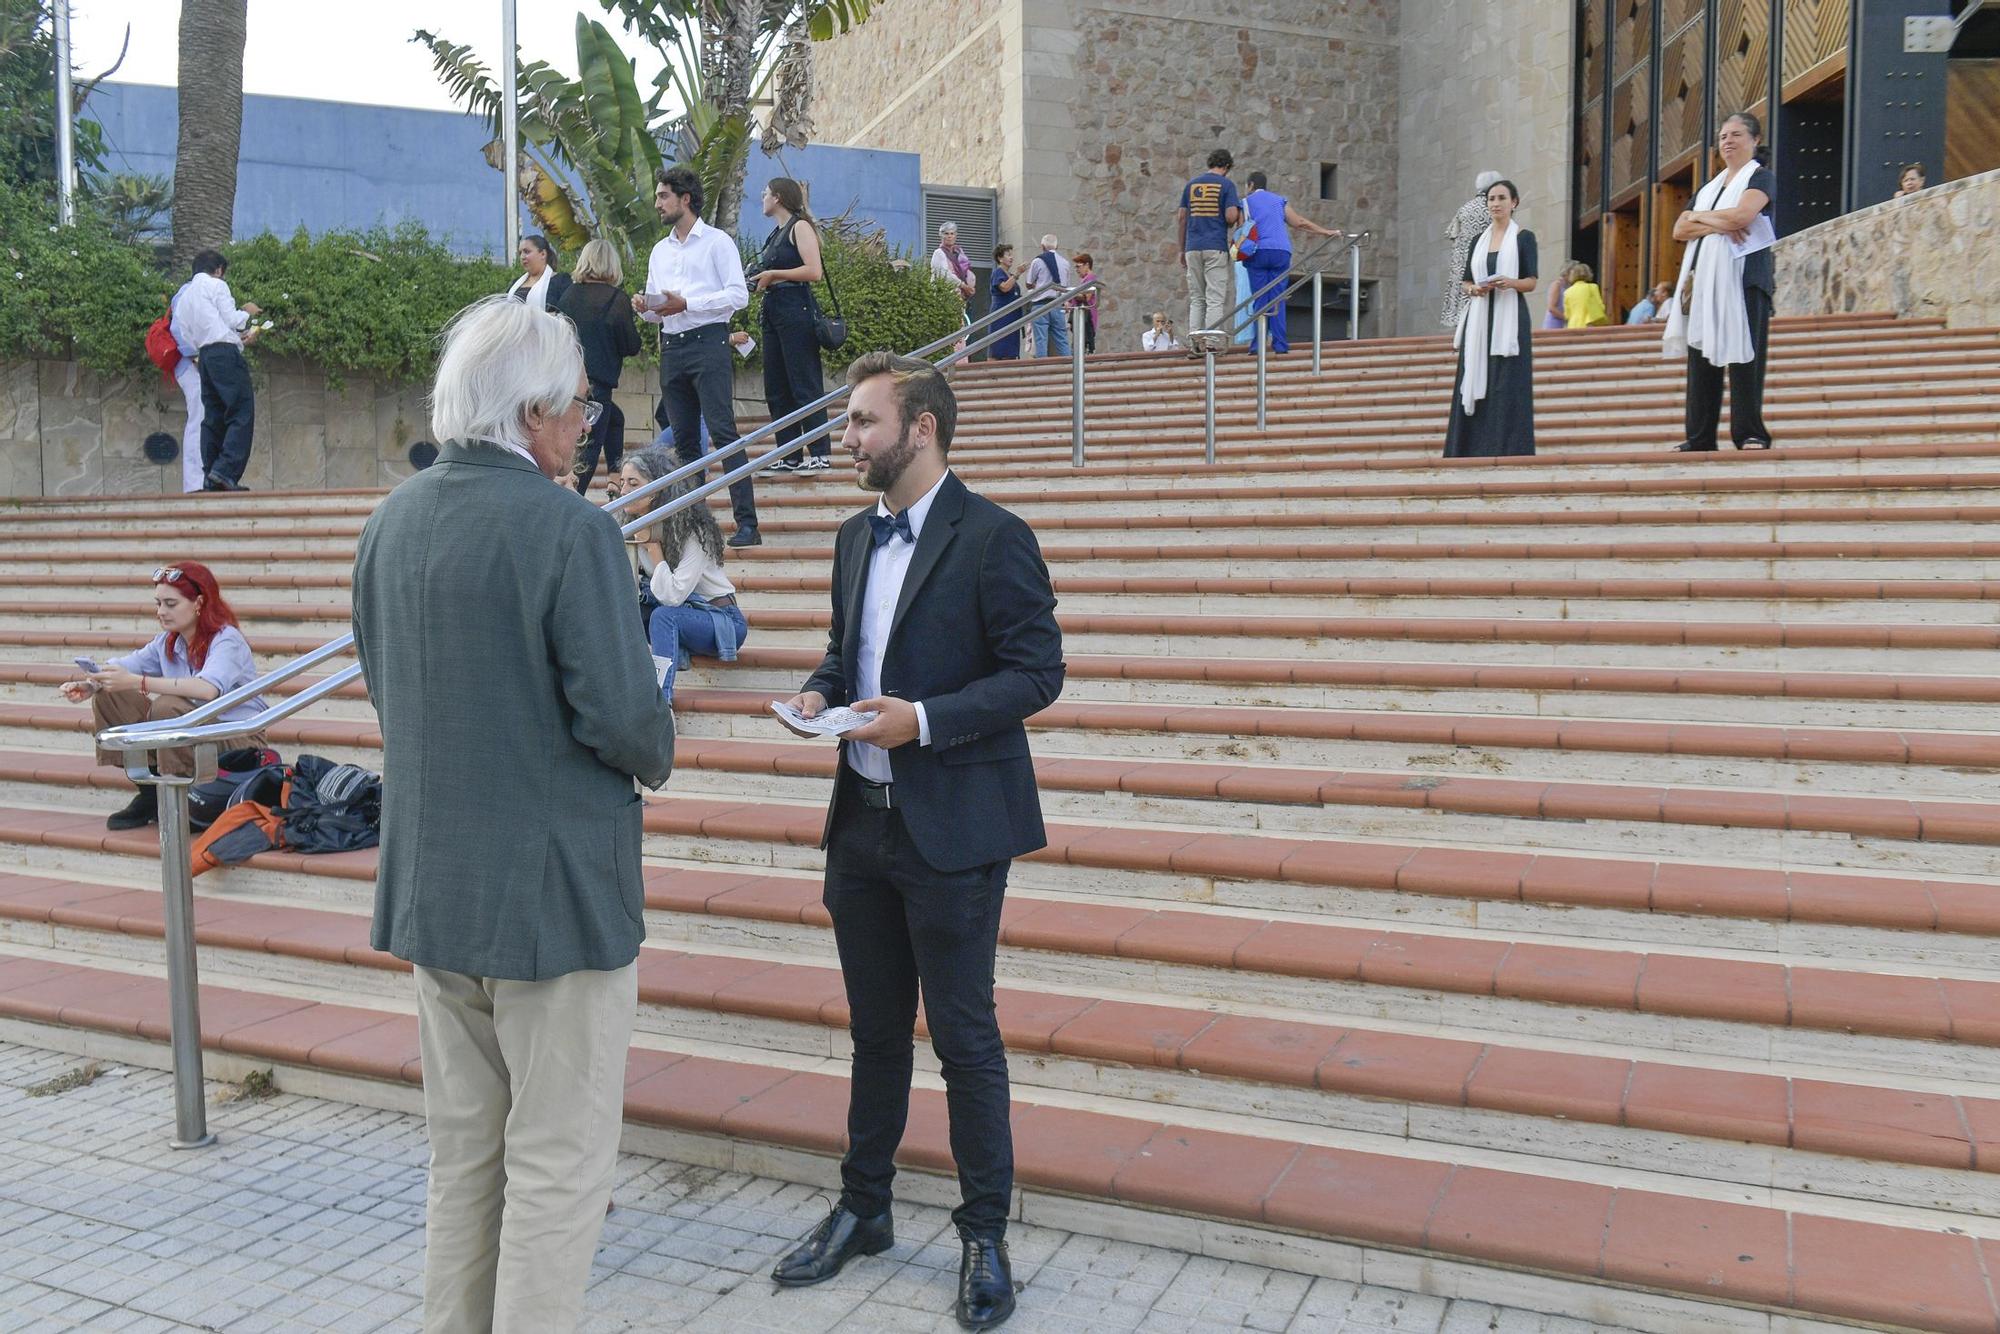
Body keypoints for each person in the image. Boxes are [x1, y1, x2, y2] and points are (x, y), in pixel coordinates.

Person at [350, 295, 676, 1334]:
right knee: (558, 1163)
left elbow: (386, 685)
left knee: (465, 1158)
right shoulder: (568, 529)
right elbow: (627, 721)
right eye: (580, 405)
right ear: (532, 410)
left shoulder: (389, 521)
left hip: (434, 886)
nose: (587, 424)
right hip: (553, 897)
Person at [768, 351, 1064, 1332]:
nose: (846, 437)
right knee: (873, 1030)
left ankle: (984, 1230)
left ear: (920, 427)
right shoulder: (854, 535)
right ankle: (864, 1206)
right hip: (860, 824)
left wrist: (925, 719)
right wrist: (817, 691)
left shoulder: (995, 538)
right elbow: (842, 647)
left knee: (965, 1036)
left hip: (953, 828)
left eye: (860, 421)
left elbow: (1036, 672)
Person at [61, 561, 268, 831]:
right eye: (158, 604)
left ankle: (188, 799)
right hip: (195, 733)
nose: (161, 612)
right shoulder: (169, 641)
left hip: (239, 739)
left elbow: (207, 689)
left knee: (167, 707)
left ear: (199, 603)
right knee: (110, 697)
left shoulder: (226, 639)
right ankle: (151, 794)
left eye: (171, 604)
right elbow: (124, 666)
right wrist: (93, 683)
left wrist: (140, 682)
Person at [636, 165, 761, 546]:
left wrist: (688, 303)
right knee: (686, 442)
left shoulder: (717, 241)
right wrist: (644, 305)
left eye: (663, 196)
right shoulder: (660, 250)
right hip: (672, 346)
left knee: (724, 432)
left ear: (685, 199)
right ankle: (694, 525)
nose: (657, 203)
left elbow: (738, 295)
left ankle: (747, 524)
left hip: (709, 342)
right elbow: (658, 307)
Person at [1666, 111, 1777, 452]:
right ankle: (1700, 436)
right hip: (1704, 282)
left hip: (1744, 279)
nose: (1727, 141)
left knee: (1745, 358)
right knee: (1700, 358)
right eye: (1723, 136)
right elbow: (1679, 229)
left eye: (1736, 135)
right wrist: (1713, 220)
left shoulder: (1760, 177)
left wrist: (1699, 218)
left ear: (1754, 140)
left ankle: (1750, 433)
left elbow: (1744, 216)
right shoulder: (1708, 188)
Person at [616, 450, 748, 704]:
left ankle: (659, 702)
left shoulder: (692, 531)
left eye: (633, 483)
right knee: (626, 611)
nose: (623, 491)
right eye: (622, 482)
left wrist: (654, 550)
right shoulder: (635, 526)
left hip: (721, 620)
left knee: (663, 617)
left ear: (657, 489)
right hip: (682, 615)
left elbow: (673, 596)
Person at [1444, 178, 1538, 459]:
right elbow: (1466, 282)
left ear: (1514, 203)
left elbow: (1531, 281)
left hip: (1509, 319)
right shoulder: (1477, 241)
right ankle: (1470, 447)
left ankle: (1509, 447)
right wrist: (1475, 289)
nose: (1495, 204)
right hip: (1480, 318)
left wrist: (1510, 282)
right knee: (1474, 375)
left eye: (1501, 198)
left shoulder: (1524, 238)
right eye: (1491, 199)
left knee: (1507, 381)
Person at [752, 177, 831, 475]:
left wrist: (773, 273)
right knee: (777, 387)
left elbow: (814, 271)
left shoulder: (799, 227)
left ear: (779, 198)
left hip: (796, 309)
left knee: (804, 383)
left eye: (766, 193)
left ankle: (820, 452)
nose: (762, 197)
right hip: (774, 310)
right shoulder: (776, 233)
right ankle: (789, 453)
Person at [556, 239, 640, 495]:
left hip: (567, 382)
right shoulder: (617, 299)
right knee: (587, 450)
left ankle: (615, 477)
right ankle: (573, 499)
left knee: (615, 419)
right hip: (597, 387)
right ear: (611, 264)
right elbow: (631, 345)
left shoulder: (569, 295)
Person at [175, 250, 261, 492]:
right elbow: (233, 319)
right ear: (219, 269)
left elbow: (188, 334)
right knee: (241, 410)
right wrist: (248, 313)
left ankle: (211, 474)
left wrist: (232, 338)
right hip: (225, 354)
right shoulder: (216, 286)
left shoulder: (184, 298)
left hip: (205, 356)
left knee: (212, 416)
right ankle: (225, 470)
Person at [1241, 171, 1340, 353]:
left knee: (1260, 299)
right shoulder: (1279, 200)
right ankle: (1280, 344)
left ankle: (1258, 345)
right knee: (1278, 299)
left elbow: (1240, 227)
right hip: (1281, 251)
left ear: (1250, 185)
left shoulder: (1246, 202)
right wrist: (1325, 231)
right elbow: (1299, 222)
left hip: (1257, 252)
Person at [1178, 148, 1241, 334]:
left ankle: (1194, 343)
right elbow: (1231, 217)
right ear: (1227, 166)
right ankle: (1211, 344)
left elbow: (1181, 217)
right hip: (1215, 246)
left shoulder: (1191, 185)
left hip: (1192, 247)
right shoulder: (1227, 185)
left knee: (1197, 298)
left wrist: (1181, 250)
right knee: (1214, 298)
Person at [1442, 170, 1502, 330]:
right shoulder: (1494, 208)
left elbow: (1450, 233)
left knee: (1464, 302)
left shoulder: (1464, 209)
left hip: (1461, 262)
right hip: (1484, 261)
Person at [1022, 234, 1077, 357]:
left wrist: (1037, 284)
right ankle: (1069, 369)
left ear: (1042, 246)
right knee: (1062, 339)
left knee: (1041, 340)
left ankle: (1042, 369)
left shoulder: (1038, 261)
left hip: (1040, 305)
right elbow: (1065, 287)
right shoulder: (1065, 263)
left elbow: (1029, 283)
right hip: (1058, 304)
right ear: (1057, 246)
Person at [930, 222, 977, 350]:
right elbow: (944, 275)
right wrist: (963, 285)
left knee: (959, 329)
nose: (949, 236)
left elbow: (967, 270)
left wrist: (970, 285)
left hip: (959, 297)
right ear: (941, 235)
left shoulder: (959, 253)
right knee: (948, 330)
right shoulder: (939, 253)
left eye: (952, 233)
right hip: (945, 297)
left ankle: (960, 361)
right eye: (946, 234)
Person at [506, 234, 571, 312]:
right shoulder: (515, 283)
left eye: (527, 252)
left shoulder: (561, 282)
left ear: (543, 254)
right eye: (520, 253)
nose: (522, 257)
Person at [986, 245, 1027, 361]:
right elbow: (1004, 287)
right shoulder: (998, 272)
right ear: (1000, 258)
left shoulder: (1009, 274)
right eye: (1008, 255)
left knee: (1010, 350)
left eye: (1011, 254)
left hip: (1012, 317)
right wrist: (1017, 274)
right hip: (1001, 315)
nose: (1011, 257)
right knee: (998, 347)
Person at [1562, 262, 1611, 327]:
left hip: (1573, 325)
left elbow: (1567, 314)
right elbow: (1600, 306)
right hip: (1588, 323)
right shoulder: (1592, 287)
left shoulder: (1567, 292)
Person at [1069, 252, 1098, 354]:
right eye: (1075, 267)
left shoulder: (1090, 278)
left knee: (1082, 347)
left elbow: (1086, 297)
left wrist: (1070, 294)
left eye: (1078, 266)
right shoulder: (1085, 279)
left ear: (1087, 265)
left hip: (1086, 318)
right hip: (1082, 317)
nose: (1077, 270)